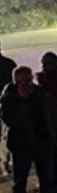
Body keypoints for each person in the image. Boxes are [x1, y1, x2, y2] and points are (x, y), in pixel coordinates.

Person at [1, 66, 57, 193]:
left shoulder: (39, 93)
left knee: (46, 181)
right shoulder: (9, 97)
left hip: (42, 143)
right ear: (16, 82)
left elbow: (48, 115)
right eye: (24, 81)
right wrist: (22, 101)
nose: (28, 83)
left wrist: (54, 137)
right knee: (20, 183)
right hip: (22, 145)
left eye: (29, 79)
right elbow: (9, 120)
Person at [36, 53, 57, 190]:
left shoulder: (50, 80)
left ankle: (54, 180)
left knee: (51, 153)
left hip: (52, 120)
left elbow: (50, 100)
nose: (43, 67)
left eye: (45, 65)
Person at [0, 43, 17, 176]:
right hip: (6, 104)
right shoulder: (9, 64)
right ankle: (4, 163)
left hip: (6, 103)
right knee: (5, 135)